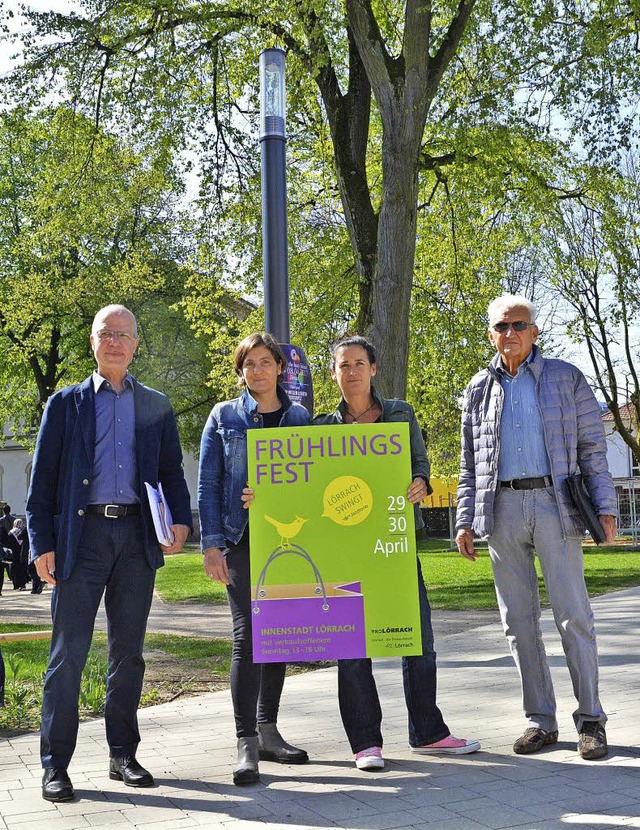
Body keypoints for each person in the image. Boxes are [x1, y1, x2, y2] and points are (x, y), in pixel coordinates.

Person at [27, 304, 192, 803]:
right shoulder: (64, 404)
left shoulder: (156, 405)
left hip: (136, 541)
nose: (115, 342)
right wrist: (42, 544)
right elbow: (43, 483)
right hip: (82, 541)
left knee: (129, 654)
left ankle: (123, 754)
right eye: (106, 334)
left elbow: (171, 473)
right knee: (67, 655)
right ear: (93, 343)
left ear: (136, 343)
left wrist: (180, 520)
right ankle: (55, 766)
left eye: (124, 334)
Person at [456, 294, 617, 761]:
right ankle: (540, 721)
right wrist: (465, 519)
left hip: (555, 504)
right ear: (491, 333)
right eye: (502, 326)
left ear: (535, 332)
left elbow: (592, 449)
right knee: (517, 622)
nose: (511, 334)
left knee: (574, 616)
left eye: (519, 325)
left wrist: (605, 505)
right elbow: (469, 465)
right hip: (501, 507)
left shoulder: (567, 378)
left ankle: (591, 720)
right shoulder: (477, 387)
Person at [313, 334, 480, 770]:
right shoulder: (321, 428)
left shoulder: (401, 413)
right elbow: (306, 489)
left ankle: (428, 732)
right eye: (342, 364)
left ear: (373, 368)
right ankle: (366, 744)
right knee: (352, 649)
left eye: (358, 363)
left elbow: (419, 464)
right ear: (333, 373)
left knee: (419, 642)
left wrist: (421, 483)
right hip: (345, 553)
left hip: (395, 543)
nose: (351, 371)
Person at [198, 331, 311, 785]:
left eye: (266, 362)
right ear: (241, 371)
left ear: (280, 368)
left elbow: (312, 478)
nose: (258, 371)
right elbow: (207, 483)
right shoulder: (224, 416)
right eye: (250, 364)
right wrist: (211, 544)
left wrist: (278, 494)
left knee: (279, 633)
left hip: (286, 539)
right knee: (249, 633)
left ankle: (268, 729)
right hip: (240, 537)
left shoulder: (299, 417)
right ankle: (246, 741)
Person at [7, 518, 29, 591]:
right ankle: (23, 584)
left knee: (14, 570)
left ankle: (16, 585)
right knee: (22, 569)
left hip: (14, 554)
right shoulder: (23, 532)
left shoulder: (11, 533)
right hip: (22, 553)